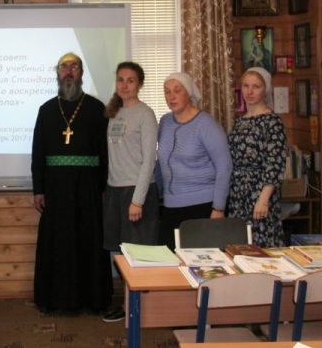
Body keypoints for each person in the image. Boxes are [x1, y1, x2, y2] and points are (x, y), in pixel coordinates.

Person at [31, 52, 112, 314]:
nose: (69, 72)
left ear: (81, 73)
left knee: (89, 240)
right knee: (59, 242)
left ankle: (94, 299)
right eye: (64, 67)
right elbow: (38, 152)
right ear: (58, 73)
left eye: (74, 67)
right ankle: (55, 299)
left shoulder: (96, 108)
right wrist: (38, 189)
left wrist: (102, 188)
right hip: (55, 189)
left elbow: (104, 151)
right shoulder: (46, 110)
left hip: (88, 188)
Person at [102, 62, 159, 323]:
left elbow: (149, 160)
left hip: (137, 194)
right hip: (115, 191)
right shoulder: (113, 112)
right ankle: (127, 303)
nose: (125, 85)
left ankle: (134, 308)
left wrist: (138, 200)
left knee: (138, 254)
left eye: (131, 80)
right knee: (119, 252)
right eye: (121, 80)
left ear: (140, 84)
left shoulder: (145, 114)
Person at [157, 72, 232, 250]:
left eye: (177, 91)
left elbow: (225, 167)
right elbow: (161, 161)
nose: (171, 97)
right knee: (170, 264)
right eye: (167, 92)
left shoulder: (206, 124)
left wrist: (219, 208)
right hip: (170, 207)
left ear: (189, 93)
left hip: (202, 207)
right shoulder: (165, 122)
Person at [227, 67, 287, 248]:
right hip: (238, 191)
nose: (250, 91)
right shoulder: (240, 121)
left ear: (265, 89)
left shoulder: (272, 121)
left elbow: (275, 163)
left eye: (256, 86)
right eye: (246, 86)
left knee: (261, 246)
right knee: (239, 246)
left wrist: (263, 199)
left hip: (259, 191)